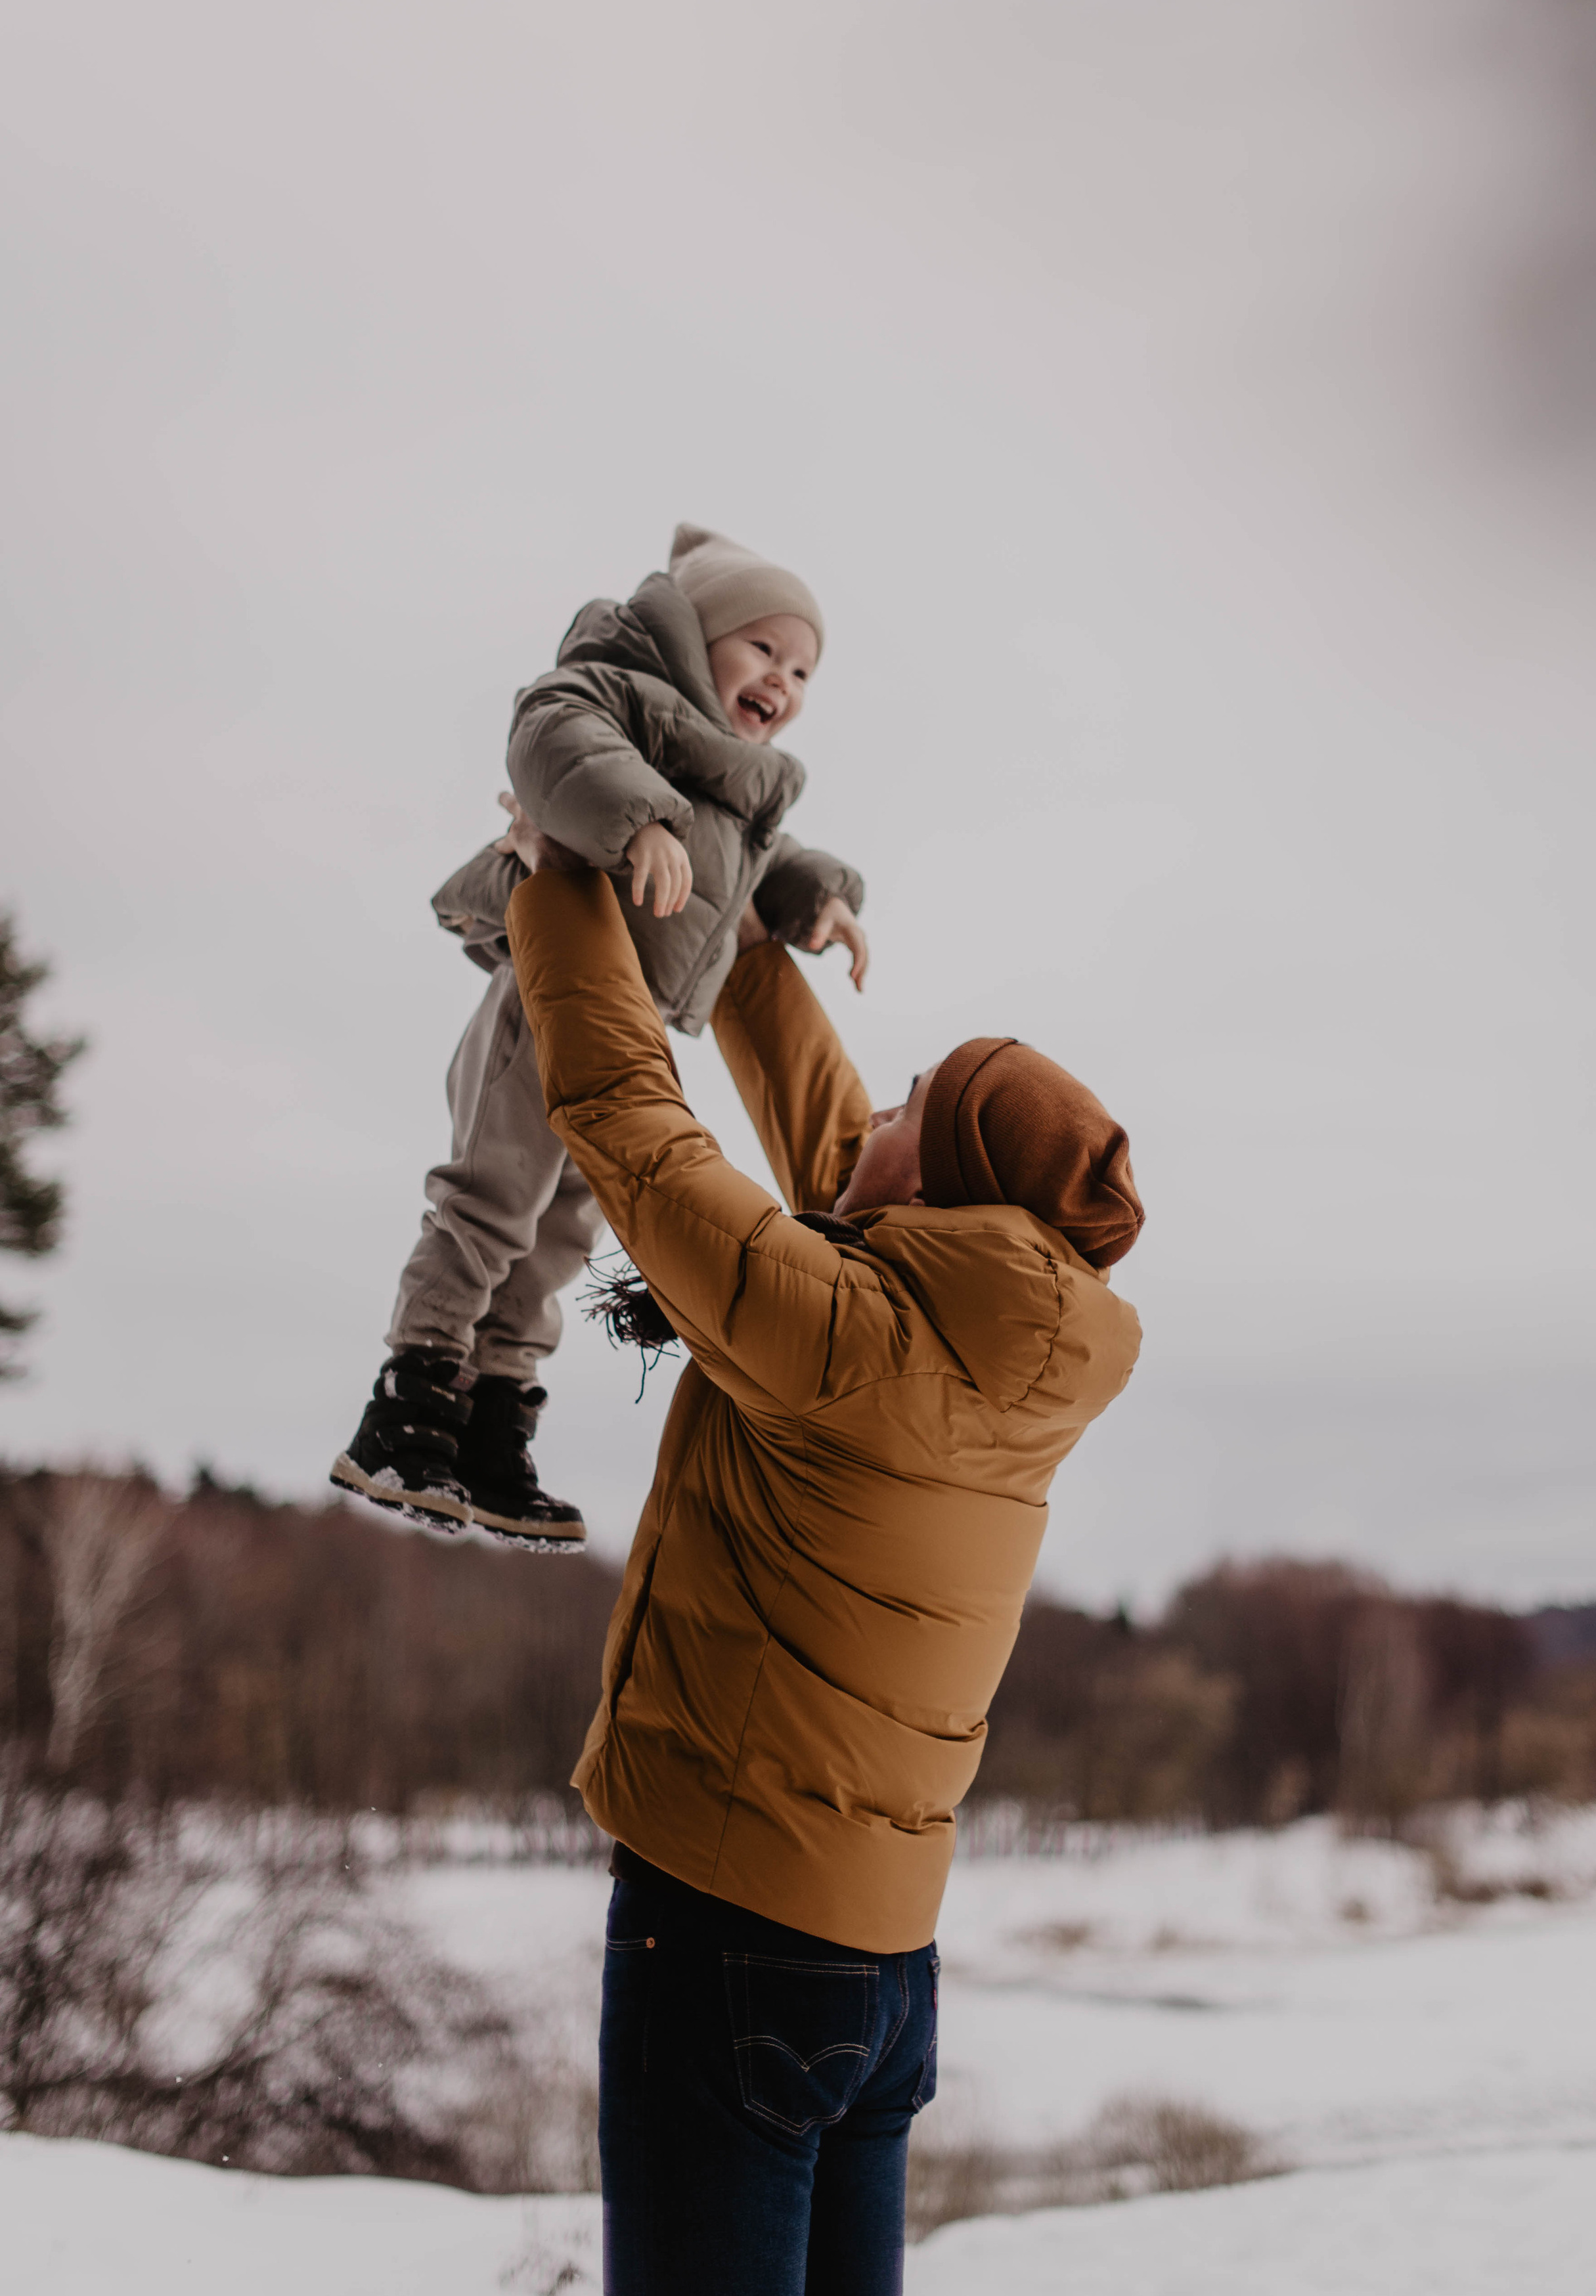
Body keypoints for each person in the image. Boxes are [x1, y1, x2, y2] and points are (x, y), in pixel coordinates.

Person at [495, 796, 1145, 2295]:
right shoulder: (988, 1351)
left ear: (939, 1180)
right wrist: (720, 926)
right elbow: (837, 1140)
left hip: (726, 1946)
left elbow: (628, 1123)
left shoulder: (843, 1338)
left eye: (913, 1099)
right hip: (882, 1979)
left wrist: (557, 878)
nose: (879, 1109)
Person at [331, 525, 868, 1551]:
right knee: (491, 1201)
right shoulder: (623, 695)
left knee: (562, 1233)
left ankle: (495, 1420)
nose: (782, 680)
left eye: (800, 668)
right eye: (761, 648)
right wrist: (638, 824)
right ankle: (410, 1400)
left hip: (626, 1042)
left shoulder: (740, 791)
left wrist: (820, 901)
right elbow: (554, 739)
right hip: (545, 1006)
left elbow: (766, 862)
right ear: (696, 633)